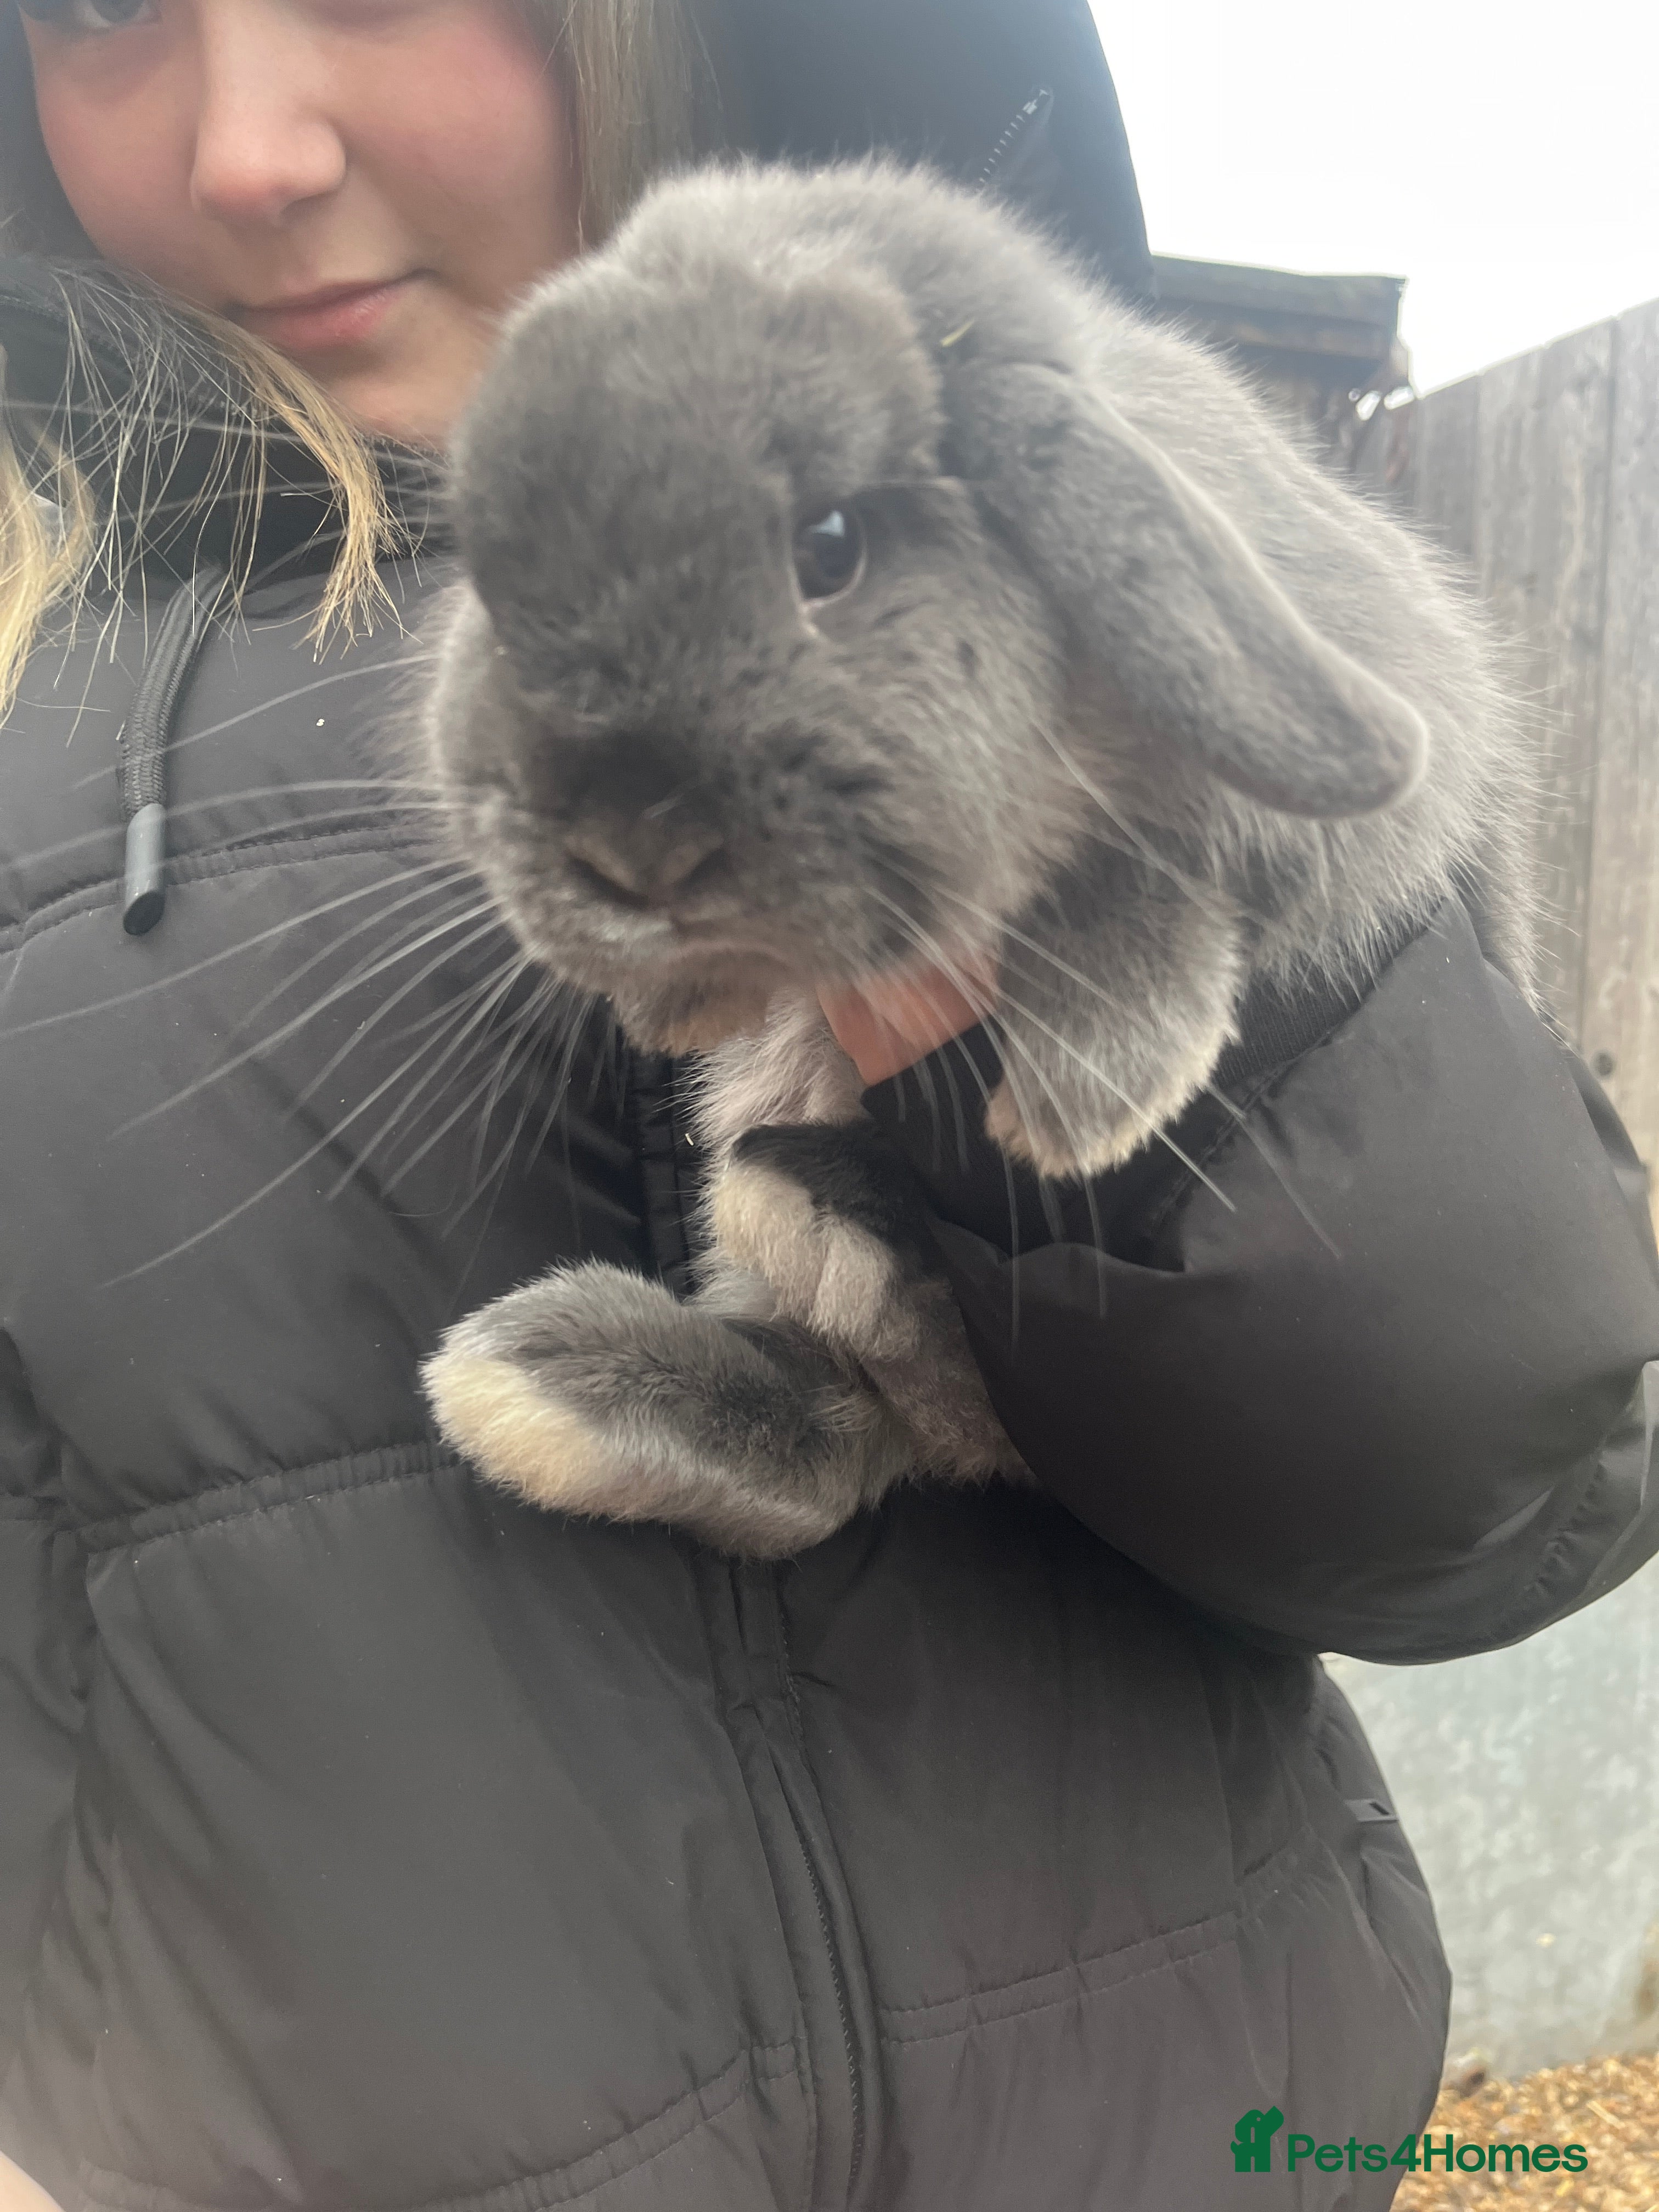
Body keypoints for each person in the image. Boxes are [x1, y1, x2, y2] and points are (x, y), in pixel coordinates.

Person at [0, 2, 1655, 2207]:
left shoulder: (1037, 427)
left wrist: (1114, 898)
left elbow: (1499, 1484)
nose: (248, 150)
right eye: (97, 8)